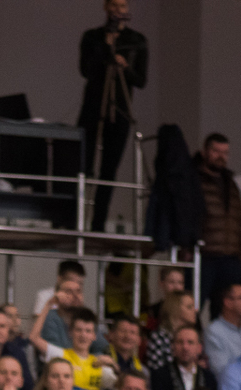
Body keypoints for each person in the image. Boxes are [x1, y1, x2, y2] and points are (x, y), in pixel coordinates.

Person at [78, 0, 146, 232]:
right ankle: (75, 219)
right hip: (93, 108)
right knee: (83, 165)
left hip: (120, 111)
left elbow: (141, 80)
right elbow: (85, 70)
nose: (118, 10)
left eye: (123, 6)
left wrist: (125, 67)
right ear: (106, 7)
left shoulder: (136, 40)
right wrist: (106, 49)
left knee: (109, 170)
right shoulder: (92, 37)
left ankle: (98, 224)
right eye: (114, 5)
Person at [194, 134, 241, 316]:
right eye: (216, 151)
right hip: (204, 255)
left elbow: (240, 220)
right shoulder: (194, 179)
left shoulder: (231, 182)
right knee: (194, 307)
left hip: (231, 257)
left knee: (225, 312)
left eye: (225, 152)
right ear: (204, 152)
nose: (221, 156)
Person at [29, 305, 116, 390]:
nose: (83, 335)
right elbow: (34, 338)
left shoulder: (100, 364)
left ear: (94, 336)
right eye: (79, 330)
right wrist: (48, 305)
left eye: (88, 331)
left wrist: (114, 365)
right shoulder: (61, 355)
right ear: (70, 332)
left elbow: (122, 386)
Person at [149, 324, 216, 390]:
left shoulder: (209, 377)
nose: (185, 347)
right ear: (172, 347)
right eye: (180, 342)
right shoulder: (160, 375)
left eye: (190, 342)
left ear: (199, 348)